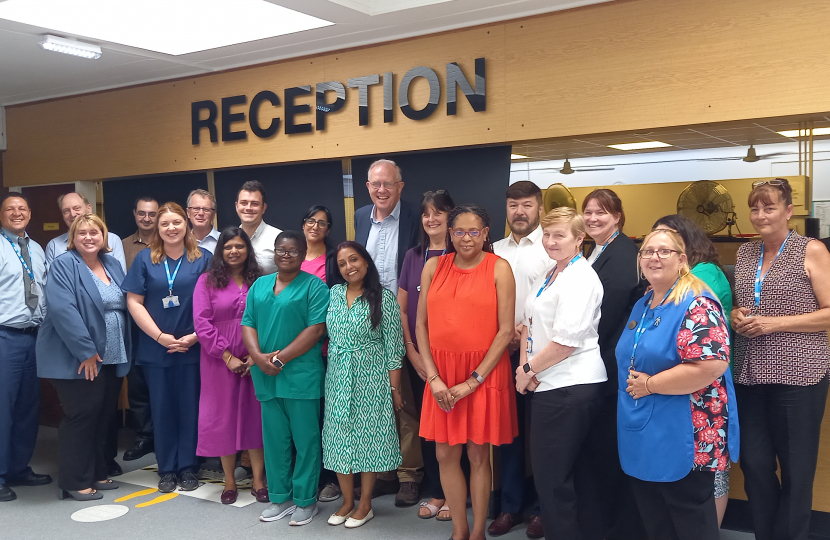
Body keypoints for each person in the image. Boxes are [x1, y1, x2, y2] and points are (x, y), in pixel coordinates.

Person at [616, 229, 738, 540]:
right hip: (646, 432)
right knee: (657, 524)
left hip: (687, 436)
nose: (654, 257)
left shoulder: (697, 303)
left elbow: (712, 364)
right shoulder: (644, 303)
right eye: (647, 251)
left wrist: (651, 384)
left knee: (690, 525)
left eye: (664, 251)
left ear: (682, 259)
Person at [731, 178, 830, 540]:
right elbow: (741, 303)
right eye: (755, 208)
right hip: (752, 374)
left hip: (800, 376)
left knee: (796, 470)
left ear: (789, 211)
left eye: (769, 207)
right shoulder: (745, 254)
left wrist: (777, 323)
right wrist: (736, 316)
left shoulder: (811, 250)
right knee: (755, 465)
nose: (760, 215)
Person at [417, 205, 518, 540]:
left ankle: (477, 532)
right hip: (441, 374)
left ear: (486, 232)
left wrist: (473, 381)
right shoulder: (434, 266)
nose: (466, 238)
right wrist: (434, 378)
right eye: (459, 231)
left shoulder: (499, 268)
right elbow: (421, 326)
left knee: (477, 454)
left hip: (483, 373)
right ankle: (459, 531)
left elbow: (505, 332)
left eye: (474, 231)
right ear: (450, 233)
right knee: (445, 453)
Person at [514, 207, 606, 539]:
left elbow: (565, 342)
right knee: (562, 477)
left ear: (580, 239)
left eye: (560, 235)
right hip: (547, 381)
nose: (551, 242)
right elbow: (529, 323)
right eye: (547, 235)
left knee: (553, 482)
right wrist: (526, 366)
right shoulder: (551, 273)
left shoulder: (581, 278)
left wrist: (526, 370)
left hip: (570, 386)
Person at [36, 213, 130, 501]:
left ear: (104, 237)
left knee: (102, 417)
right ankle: (74, 481)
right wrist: (87, 352)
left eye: (95, 232)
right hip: (76, 356)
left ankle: (98, 472)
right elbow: (64, 312)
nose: (89, 237)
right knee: (82, 416)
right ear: (73, 238)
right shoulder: (64, 265)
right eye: (82, 233)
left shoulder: (111, 263)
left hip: (111, 355)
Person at [242, 231, 330, 526]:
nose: (286, 255)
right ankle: (280, 497)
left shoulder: (315, 287)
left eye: (293, 251)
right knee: (275, 440)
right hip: (265, 376)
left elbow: (316, 330)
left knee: (306, 441)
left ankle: (306, 500)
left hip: (300, 375)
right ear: (274, 253)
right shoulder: (260, 285)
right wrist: (257, 357)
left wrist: (278, 359)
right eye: (281, 250)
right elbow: (248, 323)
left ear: (303, 254)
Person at [123, 202, 211, 493]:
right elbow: (134, 302)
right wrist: (160, 336)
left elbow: (215, 303)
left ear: (186, 224)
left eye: (176, 223)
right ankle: (167, 469)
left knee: (190, 408)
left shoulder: (204, 259)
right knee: (161, 410)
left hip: (193, 347)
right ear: (157, 229)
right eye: (165, 224)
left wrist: (196, 336)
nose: (171, 228)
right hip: (156, 348)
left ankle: (187, 466)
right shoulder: (145, 259)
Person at [653, 213, 734, 526]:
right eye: (653, 244)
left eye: (668, 242)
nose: (659, 251)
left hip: (705, 382)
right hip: (674, 386)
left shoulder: (703, 278)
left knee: (709, 467)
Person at [353, 159, 422, 505]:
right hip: (367, 325)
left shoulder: (416, 218)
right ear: (367, 186)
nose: (382, 190)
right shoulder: (360, 216)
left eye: (388, 184)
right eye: (375, 184)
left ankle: (409, 475)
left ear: (400, 186)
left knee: (404, 402)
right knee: (375, 403)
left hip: (403, 322)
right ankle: (382, 473)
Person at [324, 241, 405, 528]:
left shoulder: (383, 298)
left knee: (367, 440)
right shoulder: (332, 294)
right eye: (342, 264)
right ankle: (346, 502)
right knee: (339, 439)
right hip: (336, 378)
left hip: (371, 379)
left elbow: (394, 349)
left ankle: (366, 503)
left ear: (366, 262)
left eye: (354, 260)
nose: (349, 267)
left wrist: (394, 390)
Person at [579, 188, 645, 540]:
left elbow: (607, 315)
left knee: (607, 454)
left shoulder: (621, 253)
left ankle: (614, 529)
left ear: (617, 217)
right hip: (597, 365)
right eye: (588, 212)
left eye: (601, 213)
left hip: (606, 368)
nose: (593, 218)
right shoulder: (598, 249)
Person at [490, 181, 549, 538]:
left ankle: (542, 509)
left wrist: (525, 336)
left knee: (540, 437)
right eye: (513, 205)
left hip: (542, 358)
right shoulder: (494, 249)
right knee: (508, 436)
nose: (519, 212)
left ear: (539, 208)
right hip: (501, 355)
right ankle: (509, 507)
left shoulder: (552, 247)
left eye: (526, 205)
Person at [193, 227, 266, 505]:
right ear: (220, 251)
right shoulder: (207, 281)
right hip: (218, 362)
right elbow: (202, 323)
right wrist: (227, 357)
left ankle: (258, 480)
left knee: (254, 418)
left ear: (248, 250)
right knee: (222, 419)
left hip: (254, 359)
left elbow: (266, 318)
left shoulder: (260, 280)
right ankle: (229, 481)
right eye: (228, 247)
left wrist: (253, 356)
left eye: (239, 246)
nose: (234, 251)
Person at [398, 190, 455, 522]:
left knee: (456, 428)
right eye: (426, 214)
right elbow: (403, 310)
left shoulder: (460, 254)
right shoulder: (412, 256)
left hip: (455, 359)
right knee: (430, 429)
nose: (432, 219)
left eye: (439, 213)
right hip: (421, 360)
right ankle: (437, 490)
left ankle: (455, 493)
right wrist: (412, 352)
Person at [0, 194, 51, 503]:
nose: (16, 214)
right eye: (9, 209)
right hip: (5, 337)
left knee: (28, 407)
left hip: (36, 337)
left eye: (21, 209)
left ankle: (18, 467)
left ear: (30, 214)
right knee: (2, 409)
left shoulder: (36, 248)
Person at [120, 196, 159, 463]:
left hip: (169, 325)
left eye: (152, 214)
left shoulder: (171, 239)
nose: (147, 218)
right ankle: (145, 435)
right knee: (137, 383)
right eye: (142, 213)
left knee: (166, 384)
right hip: (134, 325)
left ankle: (168, 433)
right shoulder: (120, 246)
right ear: (134, 214)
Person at [45, 192, 126, 273]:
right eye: (66, 211)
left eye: (76, 208)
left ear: (89, 209)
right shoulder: (54, 246)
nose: (72, 214)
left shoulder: (112, 240)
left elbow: (120, 277)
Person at [236, 180, 282, 274]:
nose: (248, 208)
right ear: (237, 206)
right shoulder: (229, 239)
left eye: (255, 203)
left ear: (264, 208)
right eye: (244, 203)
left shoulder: (279, 238)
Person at [300, 205, 343, 288]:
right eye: (311, 221)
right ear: (303, 225)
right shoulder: (292, 254)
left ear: (328, 230)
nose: (315, 227)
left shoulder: (335, 258)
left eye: (322, 223)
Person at [186, 189, 220, 254]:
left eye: (206, 209)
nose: (201, 213)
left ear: (213, 215)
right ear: (188, 212)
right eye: (196, 208)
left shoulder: (224, 241)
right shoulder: (180, 243)